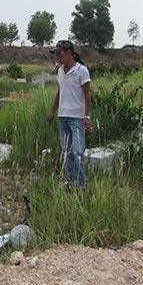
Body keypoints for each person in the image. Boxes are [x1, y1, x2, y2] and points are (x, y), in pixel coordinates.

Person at [46, 40, 92, 190]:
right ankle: (70, 181)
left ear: (69, 53)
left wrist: (86, 116)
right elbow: (60, 92)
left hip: (77, 117)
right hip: (63, 116)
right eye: (56, 54)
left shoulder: (81, 70)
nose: (57, 56)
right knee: (66, 151)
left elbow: (87, 93)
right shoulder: (60, 71)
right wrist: (53, 112)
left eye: (59, 53)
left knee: (77, 151)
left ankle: (81, 184)